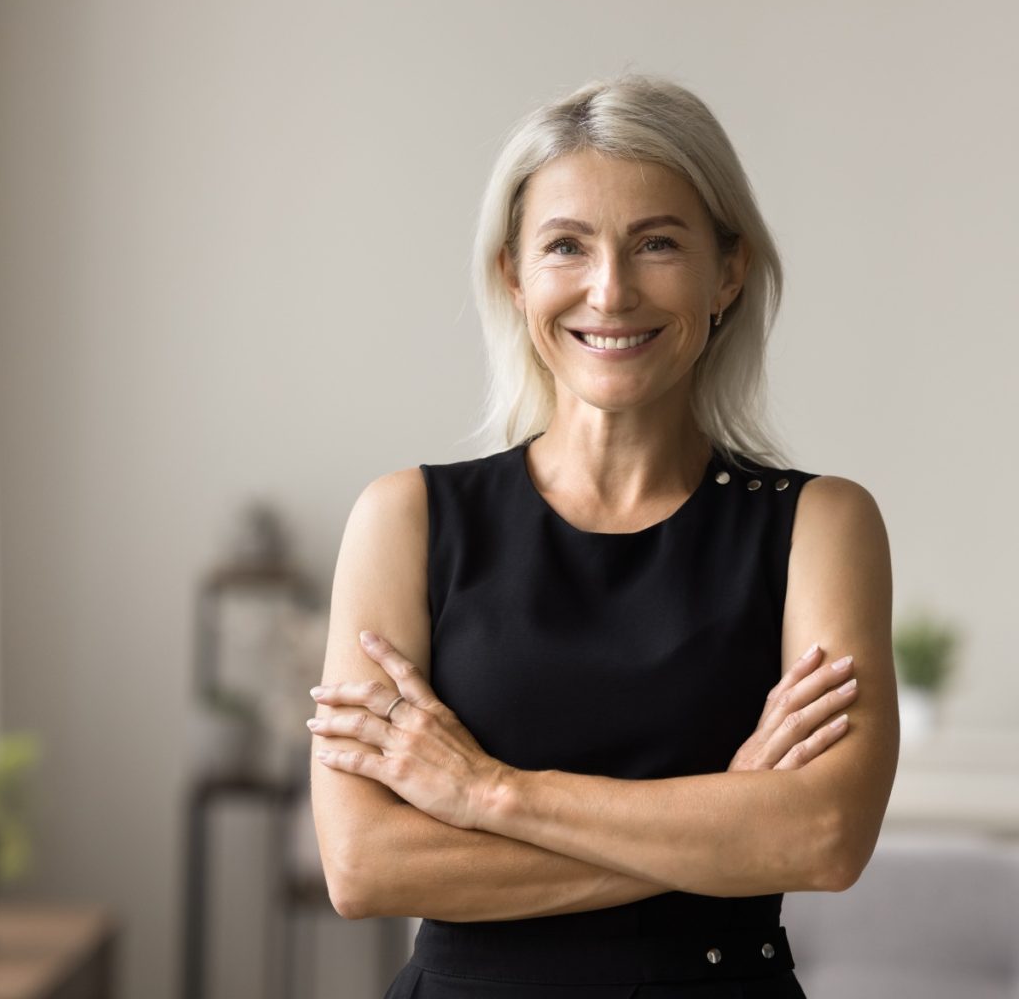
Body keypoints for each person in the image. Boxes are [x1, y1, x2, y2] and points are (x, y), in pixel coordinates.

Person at [307, 73, 898, 998]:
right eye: (566, 246)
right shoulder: (406, 519)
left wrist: (489, 796)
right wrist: (722, 829)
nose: (611, 290)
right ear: (514, 275)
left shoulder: (821, 526)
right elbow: (366, 866)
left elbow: (823, 840)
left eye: (657, 243)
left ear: (728, 270)